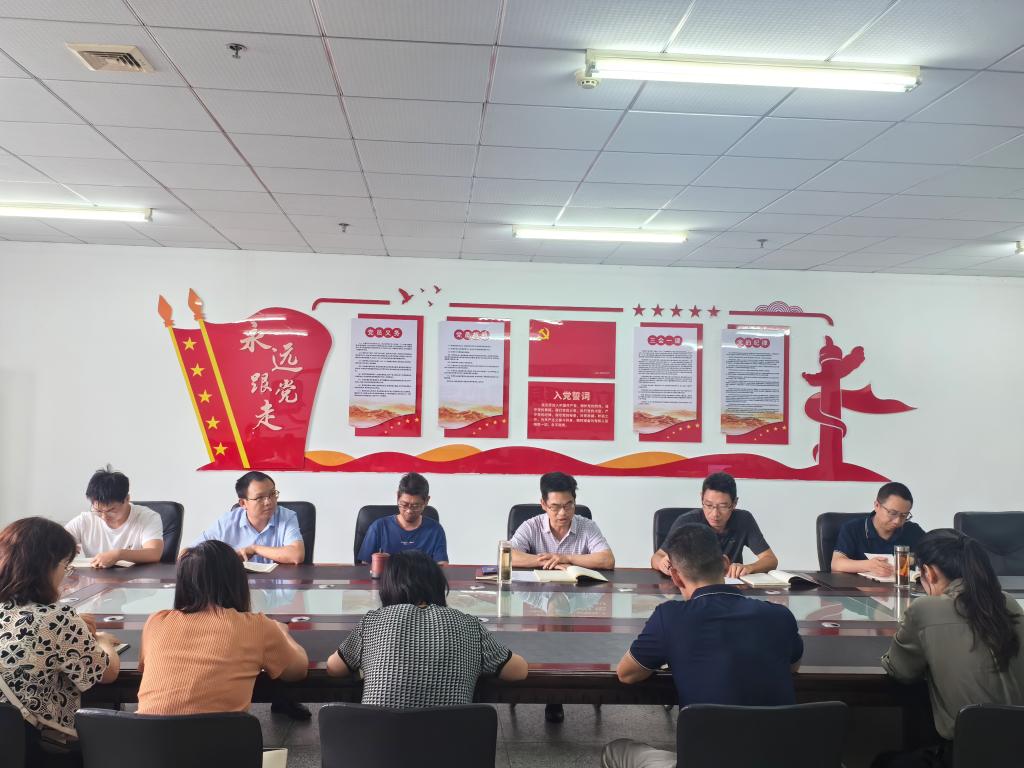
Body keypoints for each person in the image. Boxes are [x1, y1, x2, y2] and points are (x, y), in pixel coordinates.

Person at [605, 523, 803, 768]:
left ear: (675, 575)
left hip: (704, 761)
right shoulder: (780, 616)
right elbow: (792, 667)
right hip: (783, 760)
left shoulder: (670, 617)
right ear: (725, 563)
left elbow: (626, 674)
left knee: (615, 751)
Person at [874, 529, 1024, 768]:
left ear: (928, 572)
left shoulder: (925, 609)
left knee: (884, 762)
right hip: (1017, 750)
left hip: (966, 754)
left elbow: (901, 671)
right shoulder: (1009, 602)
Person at [326, 550, 527, 705]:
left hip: (378, 743)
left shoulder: (373, 622)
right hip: (452, 745)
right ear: (438, 584)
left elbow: (334, 668)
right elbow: (518, 671)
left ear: (388, 586)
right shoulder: (469, 625)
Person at [0, 517, 120, 768]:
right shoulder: (56, 617)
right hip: (31, 749)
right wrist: (102, 640)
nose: (66, 575)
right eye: (66, 566)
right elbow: (107, 672)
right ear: (47, 566)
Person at [137, 540, 308, 715]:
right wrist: (283, 633)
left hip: (144, 732)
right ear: (237, 581)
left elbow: (147, 670)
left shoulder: (156, 622)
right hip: (221, 734)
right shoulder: (258, 627)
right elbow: (298, 670)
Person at [650, 472, 777, 578]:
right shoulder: (686, 521)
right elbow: (657, 557)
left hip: (729, 586)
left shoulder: (744, 520)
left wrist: (749, 567)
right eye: (709, 505)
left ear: (734, 503)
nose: (715, 514)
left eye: (723, 506)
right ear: (701, 498)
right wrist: (661, 563)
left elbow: (770, 559)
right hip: (694, 586)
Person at [192, 471, 304, 565]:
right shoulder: (227, 522)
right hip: (238, 582)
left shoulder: (287, 517)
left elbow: (297, 555)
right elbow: (189, 553)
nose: (268, 502)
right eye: (259, 498)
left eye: (272, 494)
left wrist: (255, 549)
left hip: (277, 583)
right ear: (243, 503)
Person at [509, 472, 615, 571]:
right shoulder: (531, 526)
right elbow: (507, 555)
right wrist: (548, 561)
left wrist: (567, 558)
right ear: (544, 504)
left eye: (568, 505)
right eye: (555, 507)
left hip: (577, 584)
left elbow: (608, 560)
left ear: (575, 501)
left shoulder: (588, 526)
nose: (563, 513)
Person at [65, 465, 164, 567]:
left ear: (127, 499)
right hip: (95, 576)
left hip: (135, 576)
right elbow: (57, 543)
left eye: (111, 510)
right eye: (98, 511)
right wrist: (65, 550)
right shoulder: (85, 520)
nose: (104, 517)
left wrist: (119, 554)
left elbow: (154, 553)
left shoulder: (147, 517)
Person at [832, 482, 925, 577]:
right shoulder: (853, 528)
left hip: (902, 585)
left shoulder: (912, 530)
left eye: (904, 515)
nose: (897, 521)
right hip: (860, 586)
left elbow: (932, 554)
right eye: (893, 513)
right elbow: (836, 564)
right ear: (877, 505)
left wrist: (910, 560)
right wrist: (869, 565)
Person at [356, 472, 448, 564]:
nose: (409, 511)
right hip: (386, 574)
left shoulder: (435, 530)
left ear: (426, 501)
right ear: (397, 497)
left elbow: (442, 566)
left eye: (415, 506)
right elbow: (364, 568)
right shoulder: (378, 528)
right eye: (404, 504)